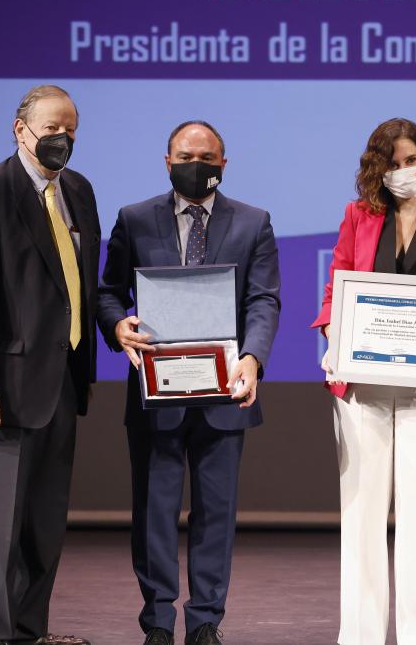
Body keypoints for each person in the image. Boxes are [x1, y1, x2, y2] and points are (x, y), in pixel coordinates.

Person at [98, 121, 281, 645]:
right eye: (185, 155)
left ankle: (204, 621)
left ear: (224, 163)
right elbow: (109, 292)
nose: (195, 164)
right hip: (157, 391)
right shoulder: (134, 219)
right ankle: (157, 621)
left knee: (215, 514)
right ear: (167, 159)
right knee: (154, 511)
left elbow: (263, 299)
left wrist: (253, 359)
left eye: (206, 156)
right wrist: (117, 325)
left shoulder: (254, 222)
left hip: (225, 391)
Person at [311, 117, 416, 645]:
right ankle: (359, 637)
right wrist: (330, 338)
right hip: (361, 384)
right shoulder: (358, 215)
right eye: (393, 163)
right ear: (377, 169)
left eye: (413, 160)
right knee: (361, 512)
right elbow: (337, 282)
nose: (405, 171)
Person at [0, 84, 99, 645]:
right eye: (52, 128)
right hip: (1, 387)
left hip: (61, 381)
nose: (63, 139)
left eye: (71, 129)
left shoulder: (77, 191)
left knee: (42, 522)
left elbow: (78, 286)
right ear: (20, 129)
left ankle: (30, 631)